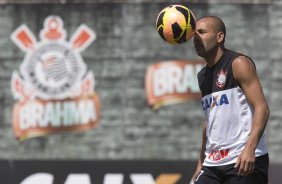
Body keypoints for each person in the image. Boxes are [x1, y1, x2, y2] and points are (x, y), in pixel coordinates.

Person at [191, 16, 270, 184]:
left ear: (220, 37)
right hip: (213, 163)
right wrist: (200, 163)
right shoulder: (202, 76)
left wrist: (250, 149)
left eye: (202, 32)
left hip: (242, 159)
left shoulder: (238, 63)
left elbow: (262, 108)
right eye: (194, 34)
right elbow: (210, 121)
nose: (196, 37)